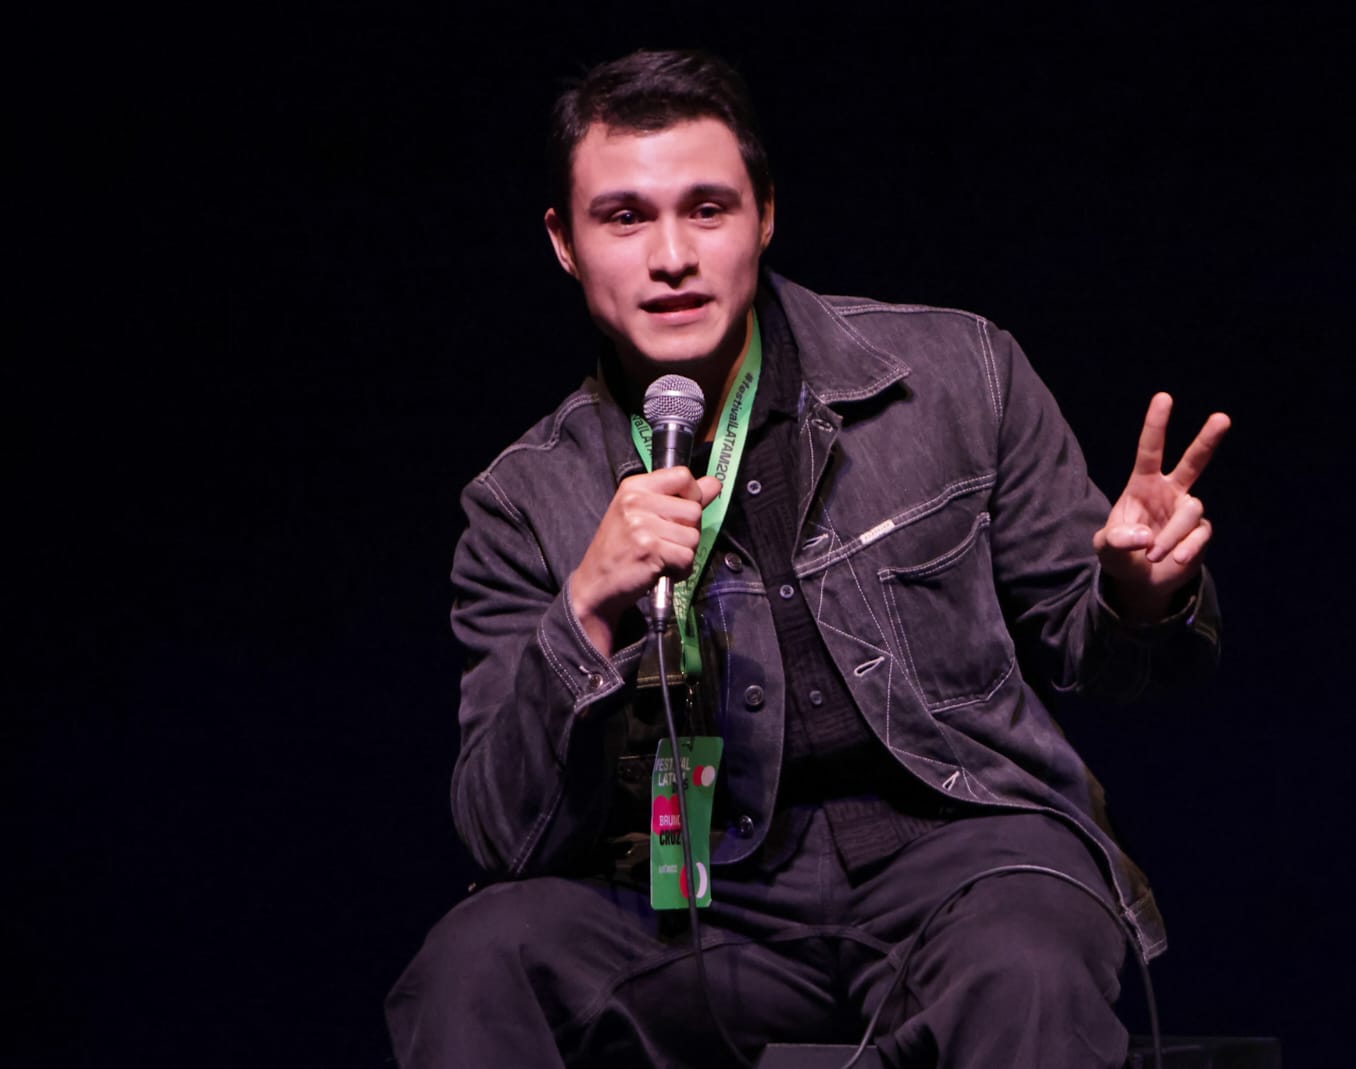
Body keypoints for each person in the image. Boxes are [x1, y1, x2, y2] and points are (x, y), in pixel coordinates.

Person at [386, 48, 1231, 1069]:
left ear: (766, 216)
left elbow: (1106, 656)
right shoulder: (522, 500)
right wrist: (582, 612)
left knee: (1028, 959)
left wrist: (1140, 597)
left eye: (707, 209)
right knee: (473, 962)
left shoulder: (956, 372)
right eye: (624, 217)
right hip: (702, 892)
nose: (670, 257)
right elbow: (498, 836)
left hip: (961, 859)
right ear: (565, 243)